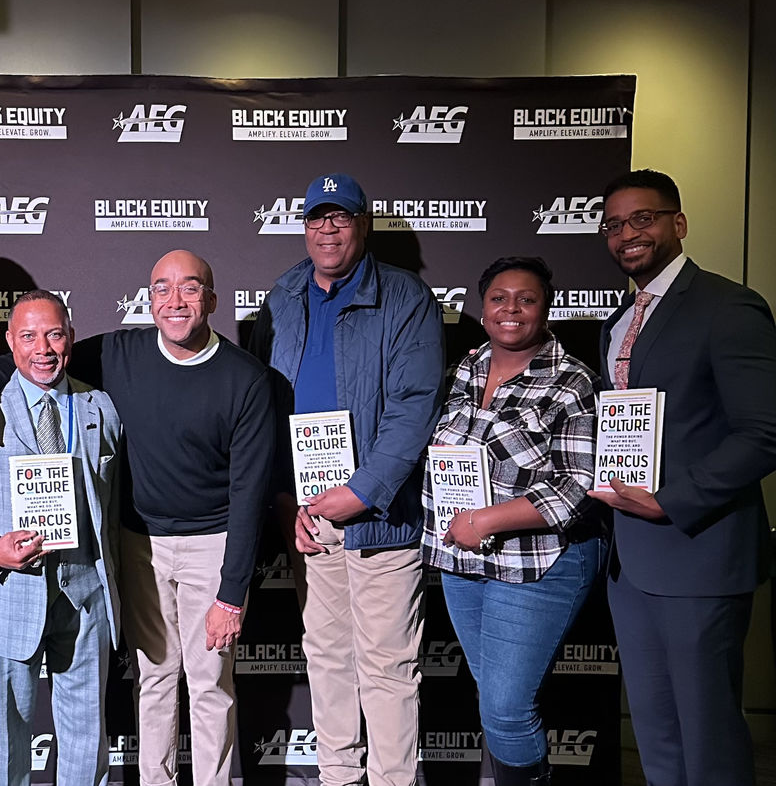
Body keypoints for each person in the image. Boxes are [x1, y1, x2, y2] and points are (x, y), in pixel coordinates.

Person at [0, 250, 273, 786]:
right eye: (162, 289)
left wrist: (232, 592)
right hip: (140, 544)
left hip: (211, 544)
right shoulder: (115, 353)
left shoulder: (246, 379)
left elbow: (250, 492)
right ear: (148, 300)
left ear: (213, 300)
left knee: (211, 683)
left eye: (190, 289)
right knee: (152, 679)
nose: (175, 302)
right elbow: (35, 347)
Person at [248, 172, 444, 786]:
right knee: (327, 658)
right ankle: (337, 777)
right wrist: (283, 500)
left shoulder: (406, 297)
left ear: (362, 225)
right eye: (316, 218)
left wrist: (362, 492)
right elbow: (264, 408)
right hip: (308, 514)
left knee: (387, 668)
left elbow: (416, 406)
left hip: (380, 515)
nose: (327, 228)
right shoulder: (283, 296)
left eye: (340, 217)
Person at [588, 169, 776, 786]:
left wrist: (670, 502)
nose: (627, 234)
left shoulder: (729, 306)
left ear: (679, 224)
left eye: (643, 218)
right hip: (630, 563)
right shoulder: (618, 320)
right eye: (614, 224)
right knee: (656, 734)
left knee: (708, 735)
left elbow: (763, 432)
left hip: (699, 551)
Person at [422, 256, 605, 786]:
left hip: (538, 564)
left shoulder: (573, 382)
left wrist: (486, 519)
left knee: (505, 709)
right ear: (482, 309)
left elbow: (577, 488)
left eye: (526, 299)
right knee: (497, 704)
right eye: (500, 298)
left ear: (546, 309)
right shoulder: (465, 368)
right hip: (462, 564)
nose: (511, 309)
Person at [0, 290, 122, 786]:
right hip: (5, 598)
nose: (44, 348)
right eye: (29, 336)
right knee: (4, 743)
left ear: (71, 338)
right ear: (10, 345)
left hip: (84, 597)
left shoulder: (98, 407)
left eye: (55, 334)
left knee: (85, 737)